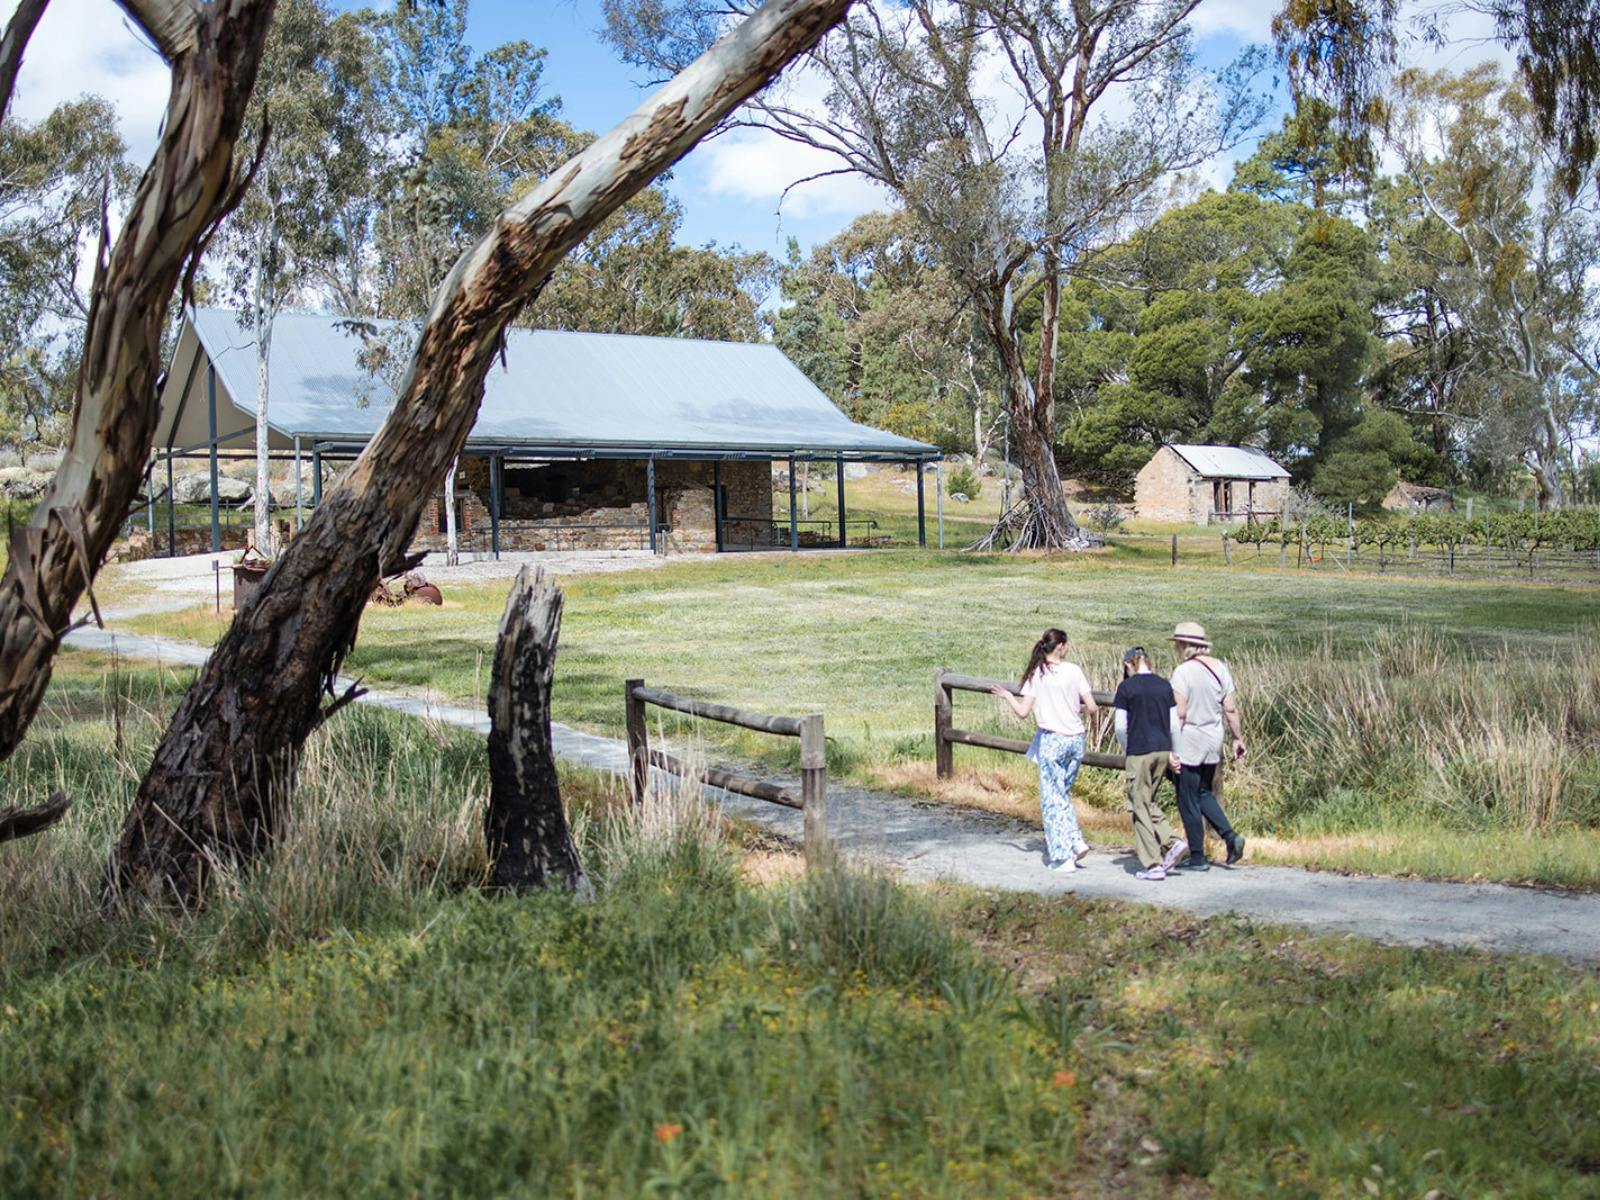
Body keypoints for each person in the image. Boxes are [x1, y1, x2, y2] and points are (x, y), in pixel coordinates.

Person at [992, 629, 1098, 872]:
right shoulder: (1074, 671)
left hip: (1052, 740)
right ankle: (1075, 840)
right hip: (1075, 739)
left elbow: (1022, 713)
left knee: (1052, 799)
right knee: (1062, 793)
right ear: (1060, 646)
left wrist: (1008, 696)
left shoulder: (1037, 674)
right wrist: (1075, 708)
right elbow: (1091, 707)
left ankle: (1062, 857)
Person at [1168, 621, 1246, 871]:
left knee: (1187, 797)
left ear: (1183, 645)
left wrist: (1173, 747)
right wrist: (1238, 738)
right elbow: (1230, 708)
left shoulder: (1182, 673)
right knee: (1203, 792)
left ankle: (1198, 855)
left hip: (1190, 739)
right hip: (1213, 738)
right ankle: (1230, 837)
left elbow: (1180, 713)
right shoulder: (1220, 668)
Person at [1112, 647, 1189, 881]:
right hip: (1162, 749)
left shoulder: (1127, 688)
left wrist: (1128, 751)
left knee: (1138, 804)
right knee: (1145, 801)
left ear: (1128, 665)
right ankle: (1171, 844)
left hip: (1140, 750)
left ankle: (1154, 861)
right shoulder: (1164, 685)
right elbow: (1174, 724)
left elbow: (1120, 727)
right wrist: (1175, 753)